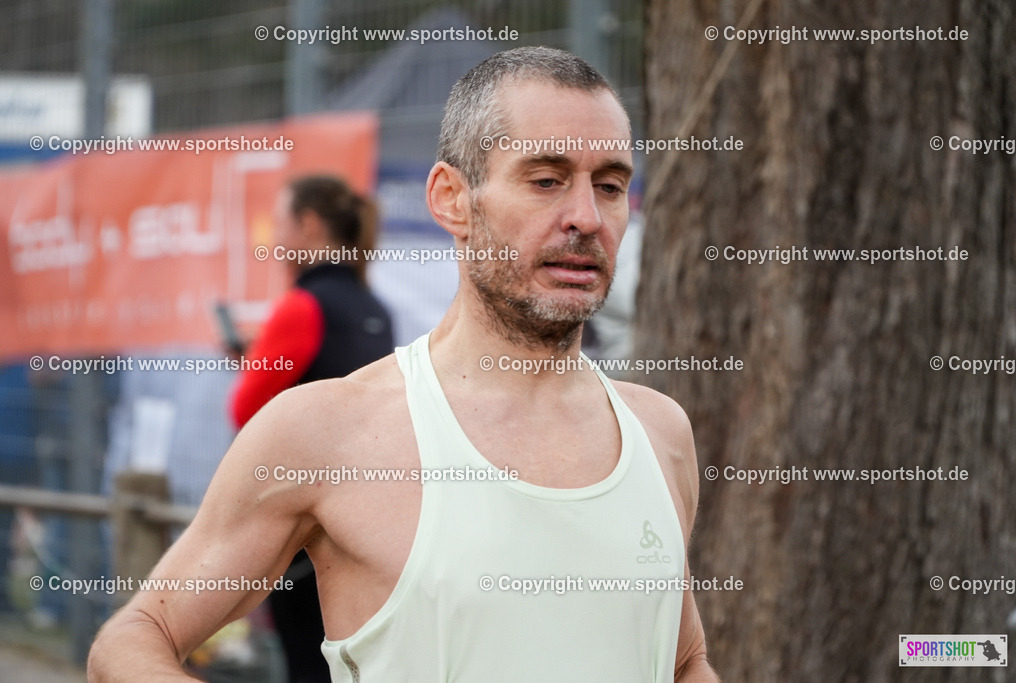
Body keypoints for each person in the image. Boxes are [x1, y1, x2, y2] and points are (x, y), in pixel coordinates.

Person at [88, 46, 717, 682]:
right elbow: (133, 641)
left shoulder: (661, 434)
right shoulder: (327, 433)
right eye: (546, 180)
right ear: (451, 199)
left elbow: (684, 659)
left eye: (609, 186)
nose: (586, 217)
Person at [229, 175, 394, 683]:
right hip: (370, 521)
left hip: (305, 527)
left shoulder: (303, 306)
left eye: (280, 223)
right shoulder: (374, 309)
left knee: (306, 660)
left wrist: (250, 361)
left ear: (308, 225)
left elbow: (245, 411)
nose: (274, 240)